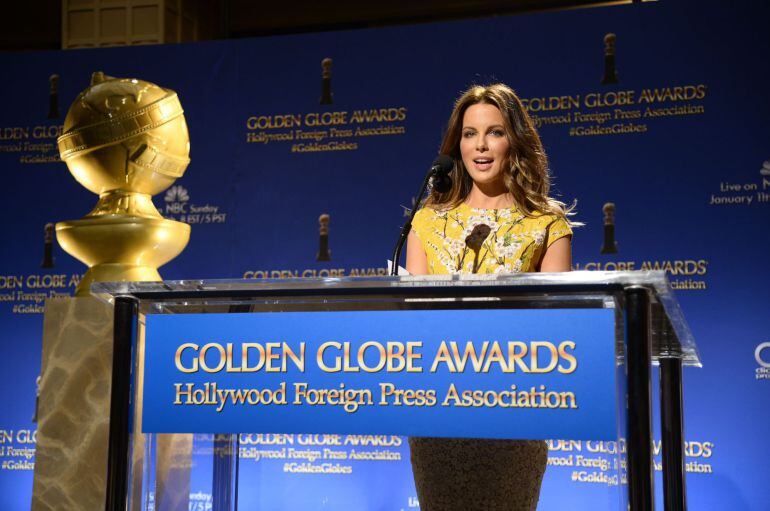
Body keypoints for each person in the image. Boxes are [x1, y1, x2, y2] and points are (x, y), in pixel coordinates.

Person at [406, 83, 577, 510]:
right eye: (469, 134)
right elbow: (411, 326)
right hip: (438, 411)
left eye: (494, 132)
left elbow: (559, 330)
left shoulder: (546, 225)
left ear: (514, 141)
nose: (480, 146)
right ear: (456, 144)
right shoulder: (425, 223)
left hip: (514, 409)